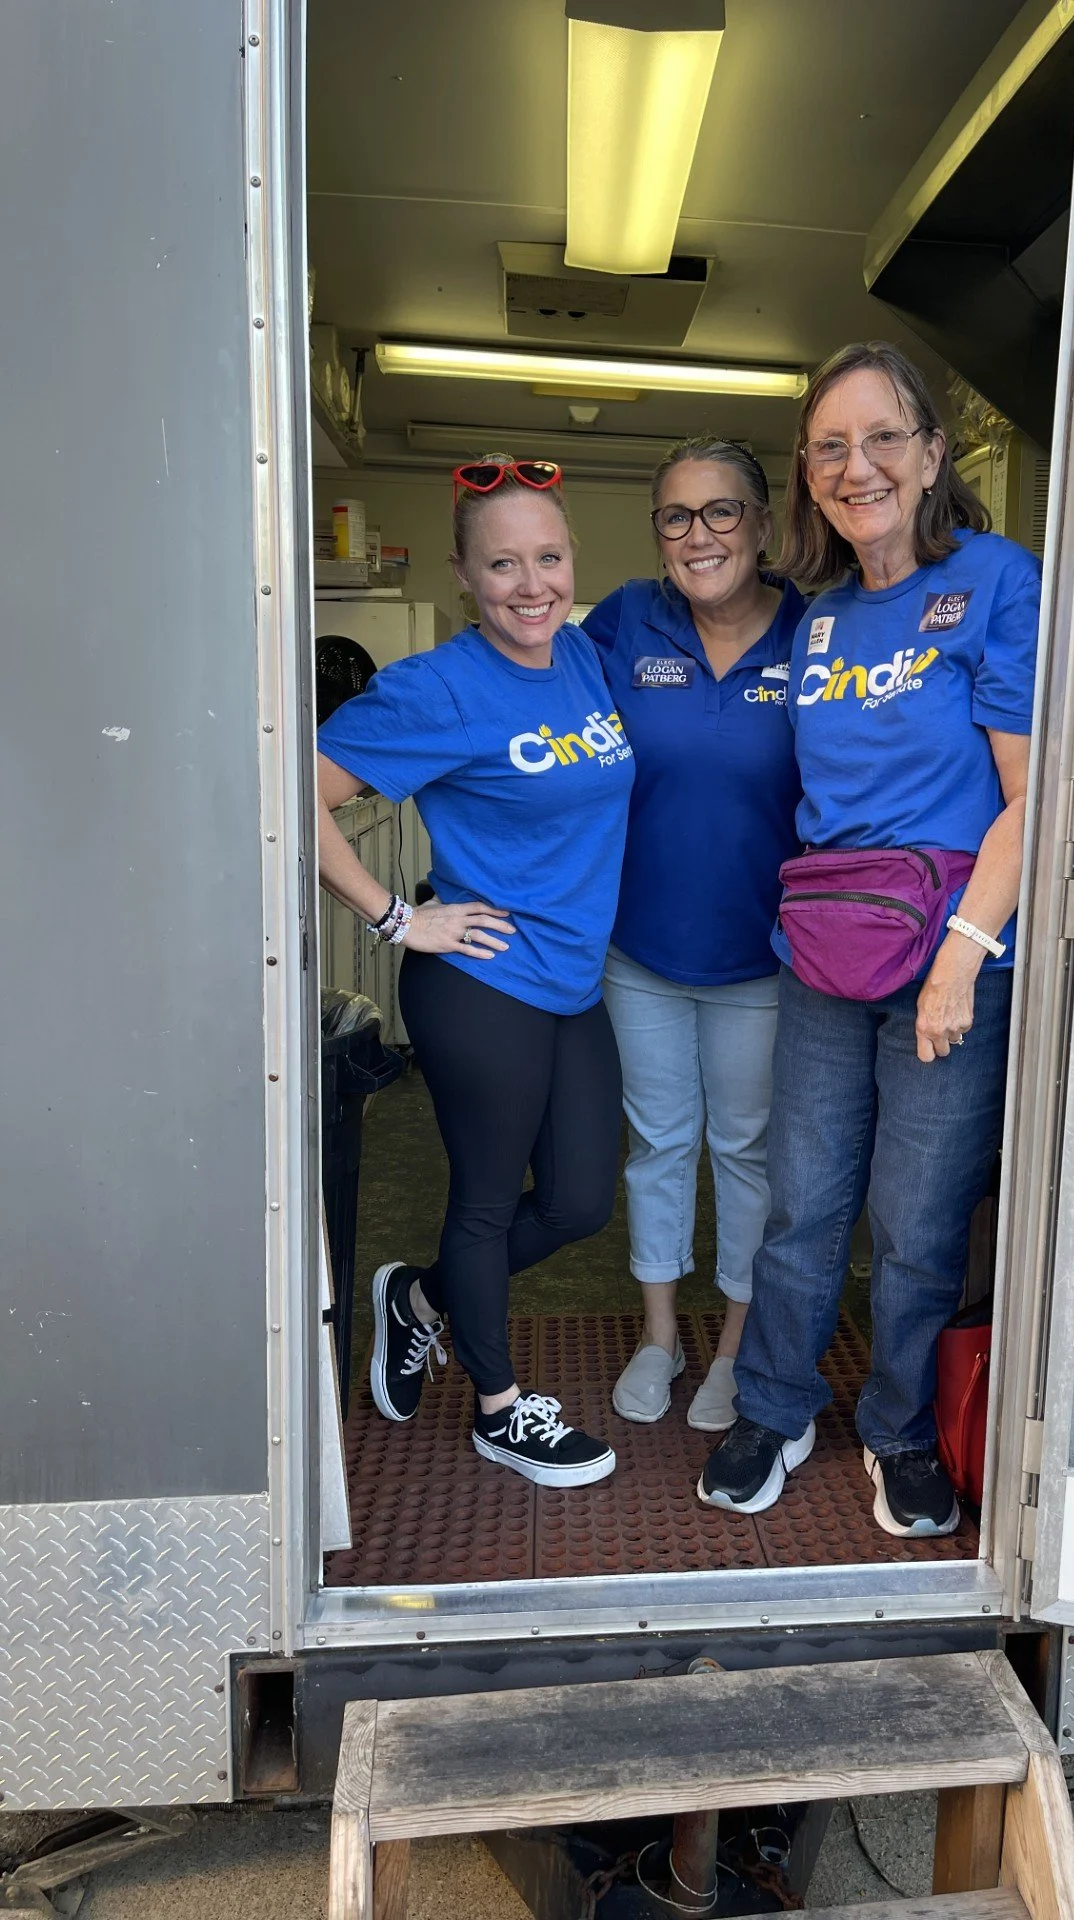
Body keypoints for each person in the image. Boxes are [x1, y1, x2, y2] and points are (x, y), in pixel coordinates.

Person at [698, 342, 1040, 1537]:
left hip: (950, 951)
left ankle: (896, 1429)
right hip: (827, 954)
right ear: (810, 474)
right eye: (832, 446)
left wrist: (962, 959)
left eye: (884, 437)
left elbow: (1029, 796)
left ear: (934, 453)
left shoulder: (997, 581)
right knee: (804, 1201)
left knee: (915, 1217)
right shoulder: (822, 618)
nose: (860, 466)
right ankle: (778, 1404)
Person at [315, 457, 635, 1488]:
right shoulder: (436, 688)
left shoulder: (583, 657)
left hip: (571, 984)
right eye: (503, 564)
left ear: (571, 558)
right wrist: (399, 917)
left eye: (547, 557)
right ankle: (500, 1410)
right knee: (489, 1202)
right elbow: (281, 795)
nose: (530, 584)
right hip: (480, 982)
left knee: (582, 1201)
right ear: (464, 573)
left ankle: (419, 1300)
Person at [583, 440, 807, 1431]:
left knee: (748, 1151)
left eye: (722, 512)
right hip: (642, 953)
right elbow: (545, 732)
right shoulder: (626, 620)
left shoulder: (817, 631)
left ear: (762, 525)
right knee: (661, 1146)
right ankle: (663, 1337)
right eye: (676, 516)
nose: (699, 533)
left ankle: (734, 1348)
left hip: (764, 956)